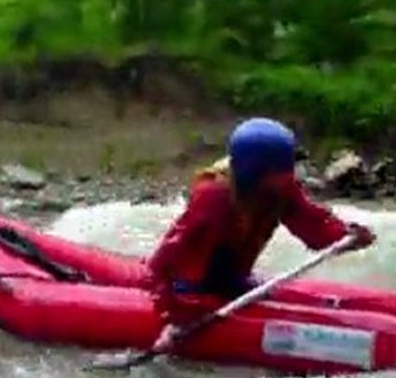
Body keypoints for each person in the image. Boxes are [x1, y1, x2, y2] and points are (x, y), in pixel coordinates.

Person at [144, 117, 376, 351]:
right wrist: (168, 319)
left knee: (313, 304)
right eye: (276, 174)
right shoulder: (212, 199)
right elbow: (159, 266)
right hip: (190, 292)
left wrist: (346, 236)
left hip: (234, 283)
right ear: (252, 172)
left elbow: (313, 229)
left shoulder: (280, 189)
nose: (285, 180)